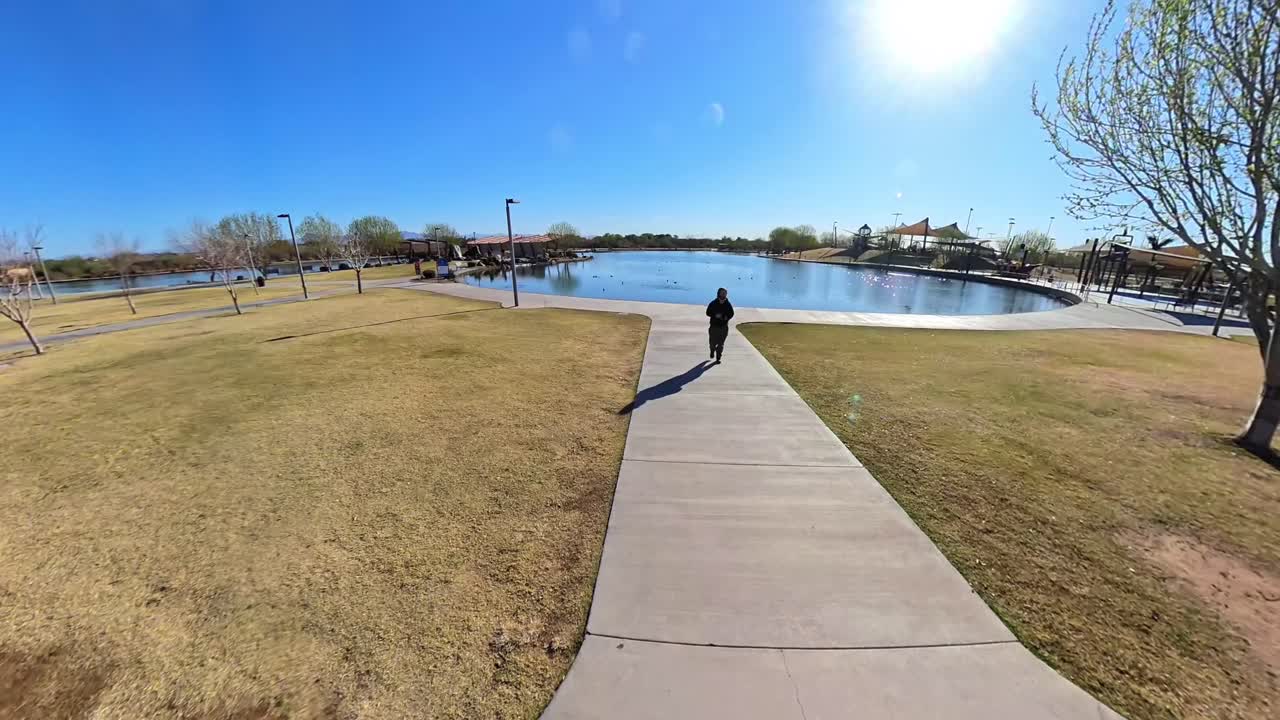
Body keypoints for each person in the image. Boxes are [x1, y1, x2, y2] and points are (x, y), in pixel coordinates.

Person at [706, 287, 734, 362]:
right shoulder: (713, 303)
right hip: (714, 327)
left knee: (721, 344)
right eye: (722, 293)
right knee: (712, 343)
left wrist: (725, 317)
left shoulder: (728, 304)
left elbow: (731, 314)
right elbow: (708, 312)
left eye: (725, 293)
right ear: (719, 293)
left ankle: (718, 358)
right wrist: (715, 315)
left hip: (723, 327)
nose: (724, 294)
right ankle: (712, 350)